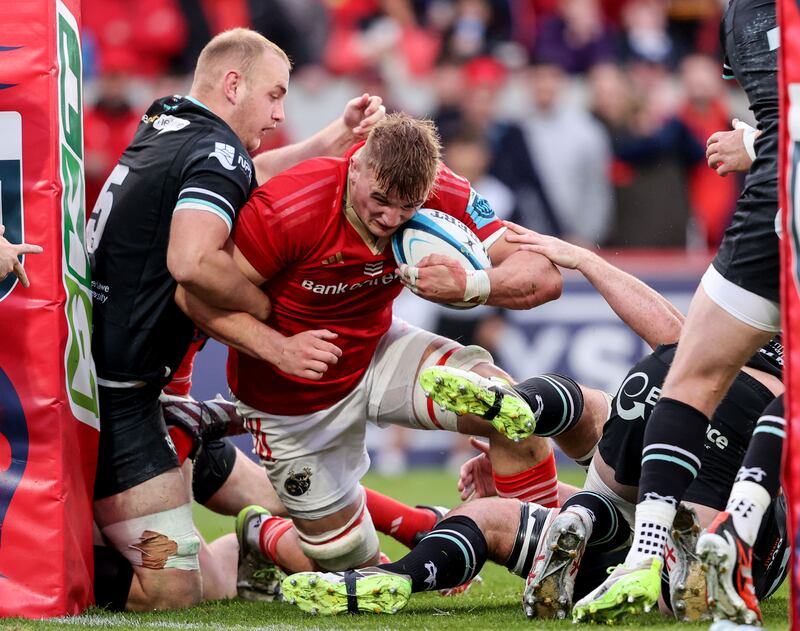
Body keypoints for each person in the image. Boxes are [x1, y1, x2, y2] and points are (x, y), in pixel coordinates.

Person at [277, 230, 787, 619]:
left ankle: (404, 576)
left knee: (514, 494)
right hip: (730, 511)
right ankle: (645, 540)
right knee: (567, 485)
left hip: (670, 431)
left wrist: (585, 260)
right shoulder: (771, 315)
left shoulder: (747, 301)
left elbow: (676, 341)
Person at [176, 112, 572, 584]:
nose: (389, 219)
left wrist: (472, 284)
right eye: (380, 200)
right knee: (349, 564)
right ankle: (262, 534)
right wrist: (279, 348)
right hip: (289, 400)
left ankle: (554, 567)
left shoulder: (442, 189)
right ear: (356, 163)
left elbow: (544, 275)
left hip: (378, 352)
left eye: (407, 208)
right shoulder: (290, 207)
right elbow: (192, 297)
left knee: (512, 410)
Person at [87, 27, 386, 612]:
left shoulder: (169, 125)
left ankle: (245, 539)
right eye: (274, 95)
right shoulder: (214, 151)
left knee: (264, 521)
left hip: (122, 386)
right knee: (172, 590)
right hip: (126, 398)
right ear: (233, 84)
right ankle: (48, 555)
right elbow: (194, 261)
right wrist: (272, 318)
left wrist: (333, 138)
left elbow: (247, 177)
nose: (279, 113)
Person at [570, 0, 782, 621]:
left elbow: (778, 110)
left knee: (686, 377)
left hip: (766, 197)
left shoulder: (742, 11)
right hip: (783, 176)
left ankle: (644, 554)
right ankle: (739, 525)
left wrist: (753, 140)